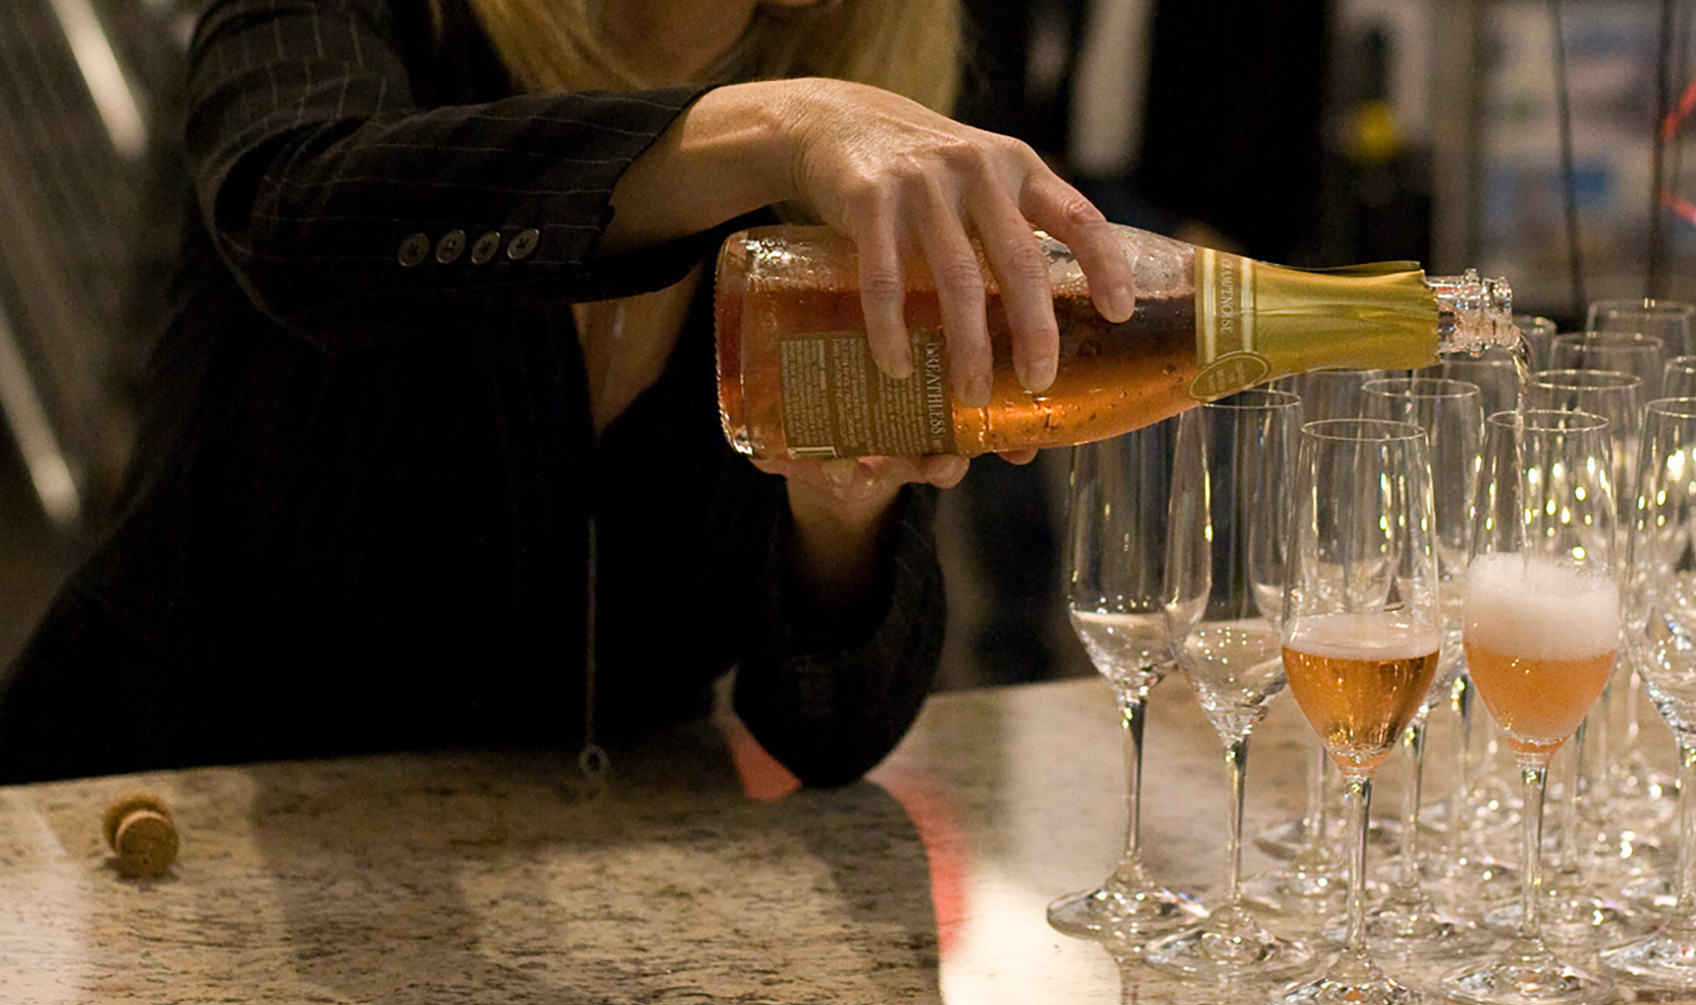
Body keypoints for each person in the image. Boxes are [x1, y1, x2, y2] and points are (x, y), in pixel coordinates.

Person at [0, 0, 1135, 786]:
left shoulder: (853, 178)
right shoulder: (372, 25)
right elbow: (301, 220)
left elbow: (828, 739)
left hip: (590, 902)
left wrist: (840, 519)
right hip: (169, 827)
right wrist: (773, 127)